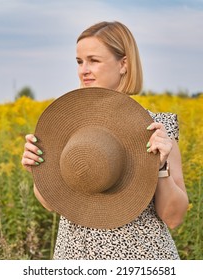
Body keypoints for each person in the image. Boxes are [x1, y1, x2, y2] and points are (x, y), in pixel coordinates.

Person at [21, 21, 189, 260]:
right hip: (74, 258)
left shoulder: (155, 128)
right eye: (79, 62)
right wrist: (38, 171)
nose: (83, 70)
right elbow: (51, 203)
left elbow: (174, 218)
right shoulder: (64, 125)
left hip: (141, 260)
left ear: (124, 64)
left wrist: (161, 168)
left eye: (94, 60)